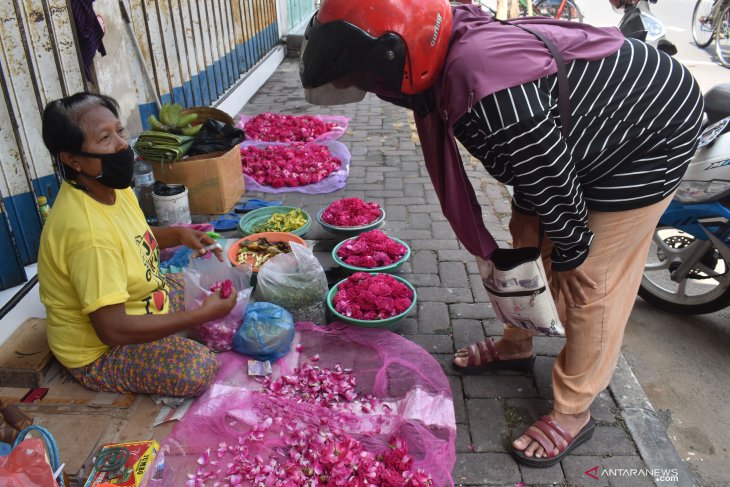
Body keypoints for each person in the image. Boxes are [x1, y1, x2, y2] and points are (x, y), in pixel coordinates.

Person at [299, 0, 704, 467]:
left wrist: (571, 251)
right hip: (572, 131)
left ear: (396, 55)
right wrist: (543, 241)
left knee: (591, 278)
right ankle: (518, 344)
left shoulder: (491, 94)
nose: (366, 89)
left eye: (365, 79)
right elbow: (535, 172)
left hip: (650, 133)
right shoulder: (441, 53)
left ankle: (575, 411)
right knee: (526, 237)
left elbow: (550, 181)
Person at [37, 92, 238, 398]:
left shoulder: (109, 186)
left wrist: (179, 234)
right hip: (101, 350)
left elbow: (134, 234)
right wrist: (200, 316)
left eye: (119, 130)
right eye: (105, 138)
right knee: (198, 367)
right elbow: (112, 329)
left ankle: (175, 323)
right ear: (72, 159)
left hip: (137, 300)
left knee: (206, 284)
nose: (121, 144)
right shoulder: (87, 235)